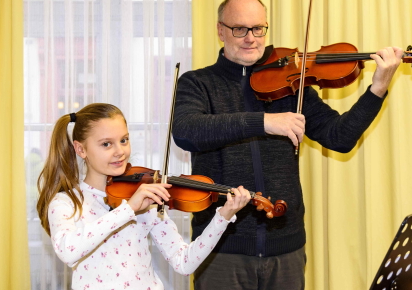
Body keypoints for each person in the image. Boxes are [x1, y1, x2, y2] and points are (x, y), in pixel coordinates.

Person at [171, 0, 404, 290]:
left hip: (286, 248)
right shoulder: (198, 83)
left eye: (258, 29)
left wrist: (378, 89)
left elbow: (340, 137)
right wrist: (265, 122)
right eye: (239, 29)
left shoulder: (291, 84)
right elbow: (187, 130)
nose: (251, 38)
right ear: (220, 30)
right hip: (220, 249)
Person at [36, 103, 251, 290]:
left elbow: (184, 263)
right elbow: (68, 251)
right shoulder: (67, 202)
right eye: (106, 144)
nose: (120, 151)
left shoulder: (145, 200)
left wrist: (222, 218)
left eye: (124, 140)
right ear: (80, 149)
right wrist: (128, 209)